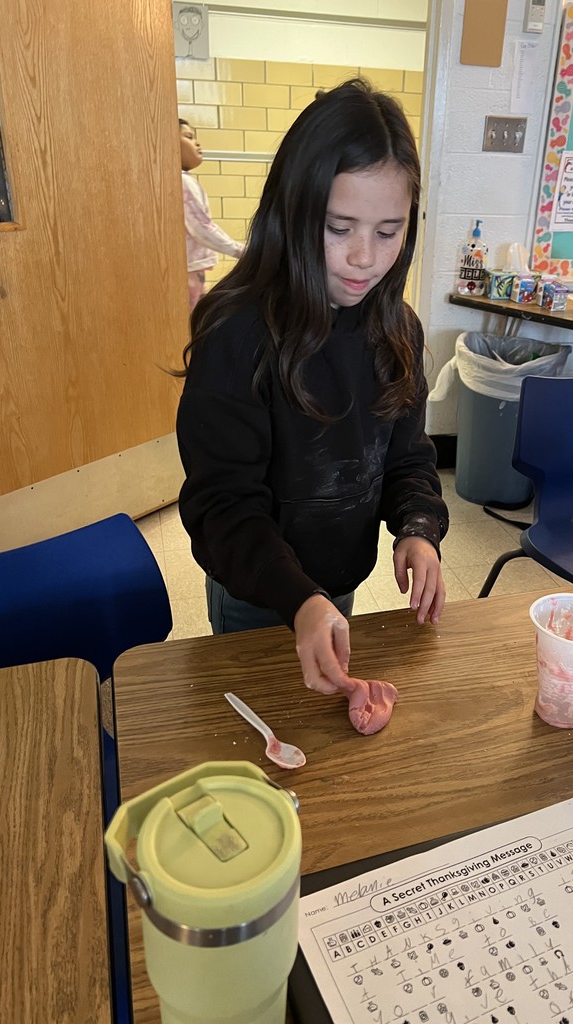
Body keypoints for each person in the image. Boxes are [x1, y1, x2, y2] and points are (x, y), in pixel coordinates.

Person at [175, 79, 448, 695]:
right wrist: (299, 600)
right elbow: (223, 504)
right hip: (258, 585)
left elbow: (408, 458)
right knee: (263, 720)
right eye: (338, 227)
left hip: (339, 576)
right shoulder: (238, 335)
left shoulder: (396, 328)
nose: (363, 258)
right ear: (294, 212)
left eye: (388, 231)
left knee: (323, 721)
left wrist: (418, 526)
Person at [180, 118, 245, 310]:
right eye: (189, 137)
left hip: (191, 268)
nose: (197, 143)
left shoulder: (183, 180)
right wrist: (240, 251)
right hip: (189, 270)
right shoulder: (183, 182)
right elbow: (202, 227)